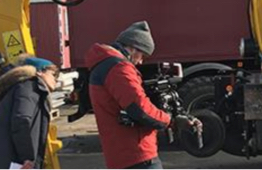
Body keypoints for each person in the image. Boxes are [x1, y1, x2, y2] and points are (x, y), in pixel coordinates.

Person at [86, 21, 201, 169]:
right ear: (133, 48)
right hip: (136, 155)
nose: (140, 62)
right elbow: (139, 108)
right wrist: (170, 120)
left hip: (120, 154)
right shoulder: (119, 68)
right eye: (142, 55)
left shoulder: (104, 65)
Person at [0, 56, 59, 169]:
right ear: (39, 72)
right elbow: (22, 120)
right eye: (53, 74)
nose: (56, 80)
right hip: (7, 163)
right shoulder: (29, 87)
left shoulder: (27, 89)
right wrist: (27, 158)